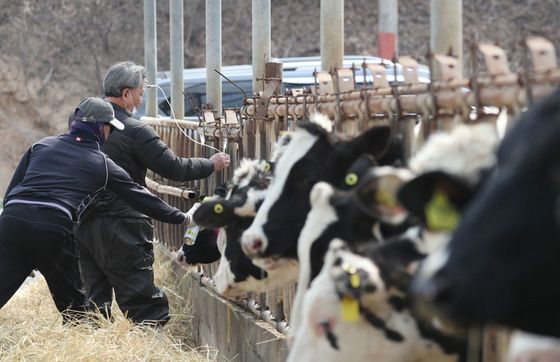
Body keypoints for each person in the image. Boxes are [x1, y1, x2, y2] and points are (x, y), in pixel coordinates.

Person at [0, 97, 196, 321]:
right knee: (75, 309)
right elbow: (141, 198)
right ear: (101, 128)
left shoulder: (41, 145)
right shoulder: (100, 163)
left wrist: (21, 247)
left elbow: (11, 195)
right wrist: (183, 218)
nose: (110, 134)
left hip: (12, 222)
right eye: (110, 129)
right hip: (53, 225)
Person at [75, 61, 230, 326]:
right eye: (140, 92)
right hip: (122, 224)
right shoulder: (134, 130)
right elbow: (173, 167)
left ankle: (95, 347)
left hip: (83, 222)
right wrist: (211, 164)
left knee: (92, 301)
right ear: (126, 94)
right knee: (141, 299)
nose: (141, 97)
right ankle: (150, 347)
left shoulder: (83, 122)